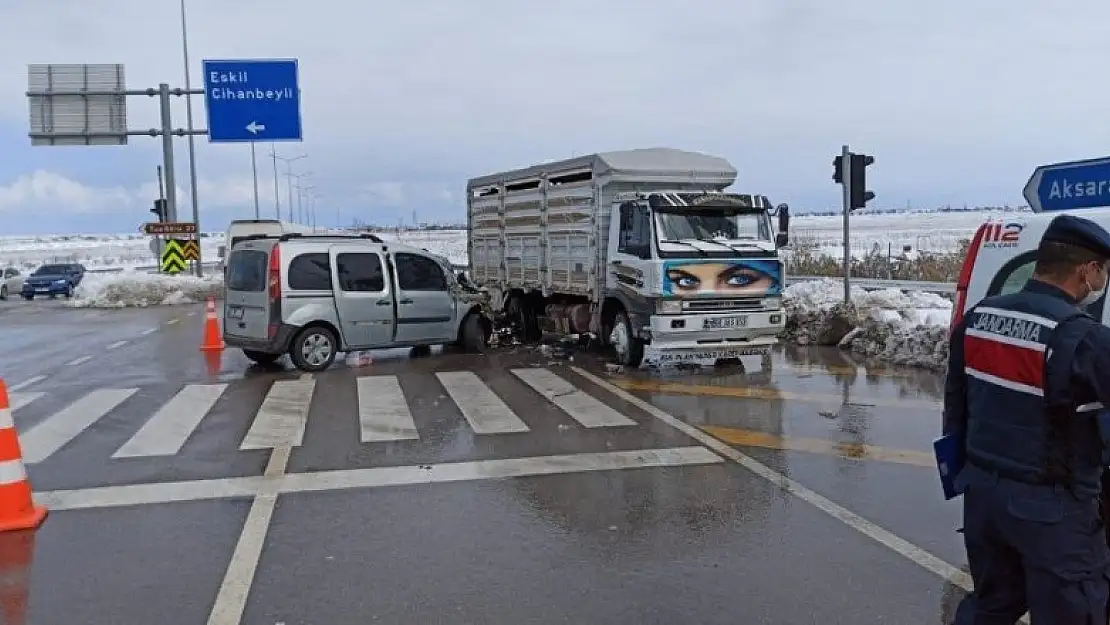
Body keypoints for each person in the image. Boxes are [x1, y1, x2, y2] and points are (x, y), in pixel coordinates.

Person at [944, 214, 1110, 624]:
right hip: (1050, 508)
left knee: (991, 606)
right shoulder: (1083, 337)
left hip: (983, 496)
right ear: (1087, 271)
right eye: (1104, 270)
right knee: (1073, 612)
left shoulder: (979, 317)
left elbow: (956, 407)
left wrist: (960, 476)